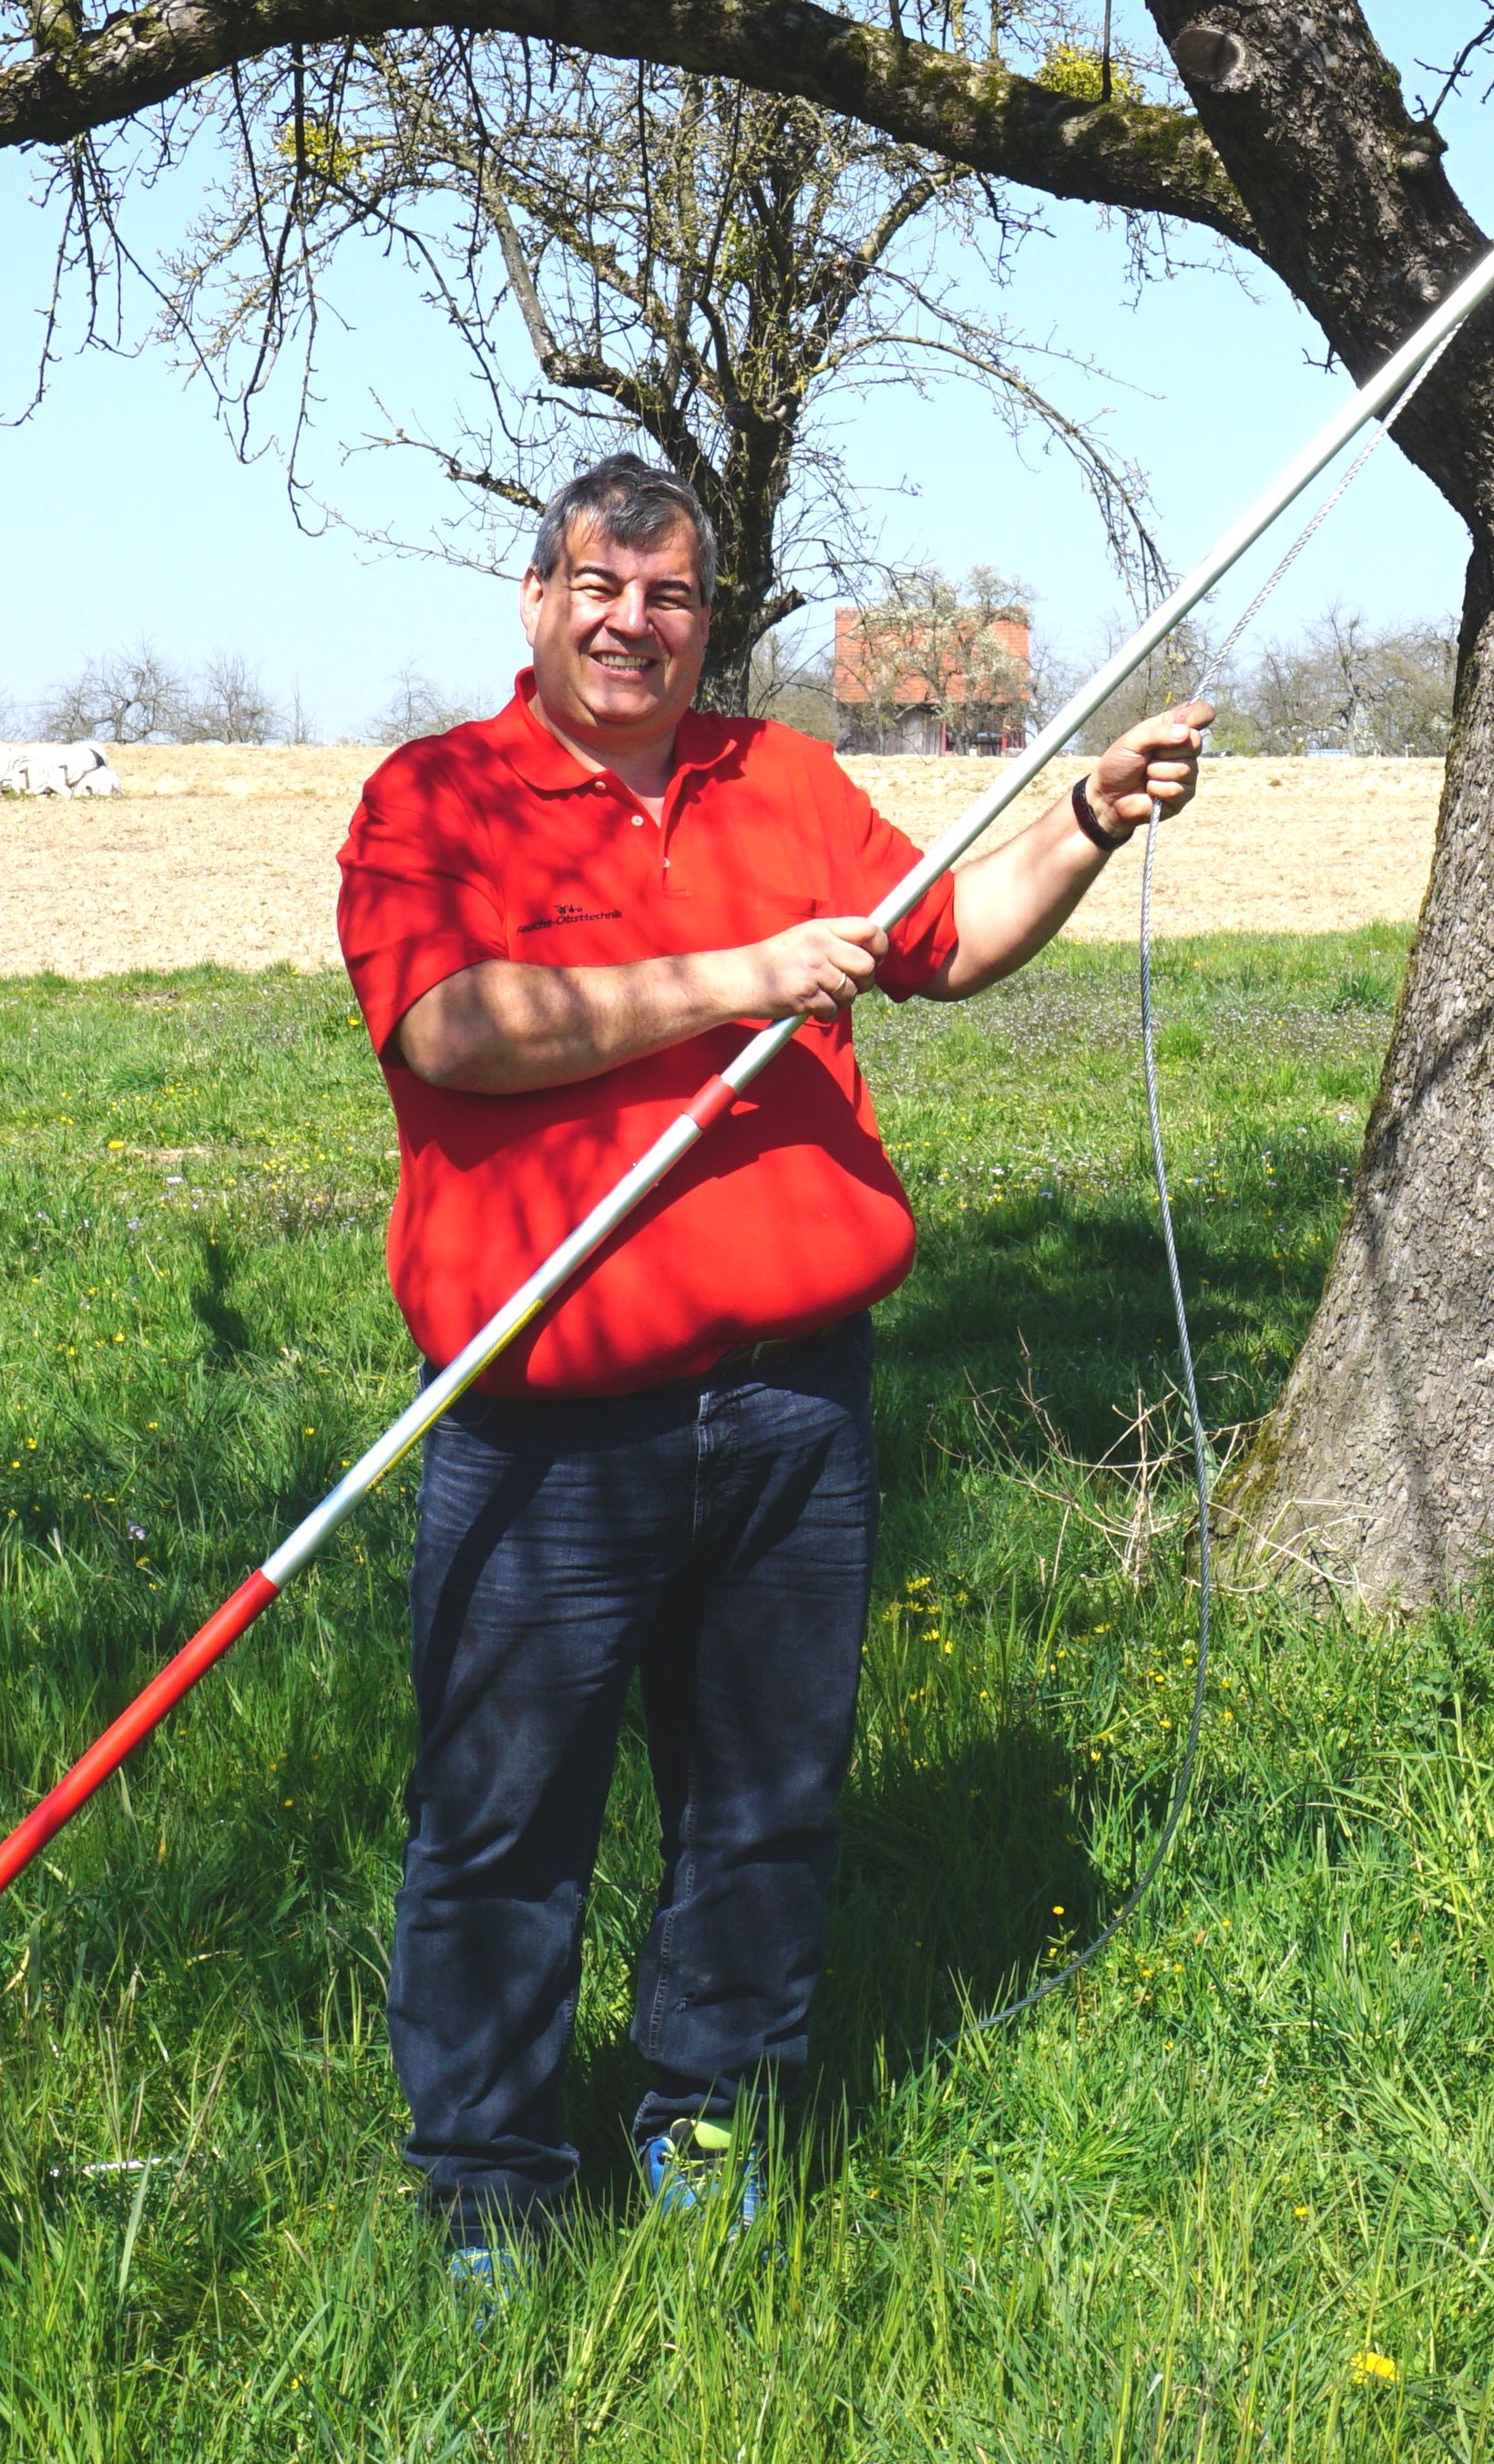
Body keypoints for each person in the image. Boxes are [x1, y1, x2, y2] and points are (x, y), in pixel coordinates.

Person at [333, 456, 1209, 2281]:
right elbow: (451, 1026)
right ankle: (489, 2174)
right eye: (596, 585)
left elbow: (942, 943)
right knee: (503, 1818)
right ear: (535, 598)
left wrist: (1090, 821)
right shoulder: (440, 798)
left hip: (795, 1402)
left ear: (706, 618)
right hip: (551, 1422)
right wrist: (738, 975)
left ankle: (703, 2119)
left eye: (667, 596)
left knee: (764, 1799)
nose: (629, 621)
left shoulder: (786, 779)